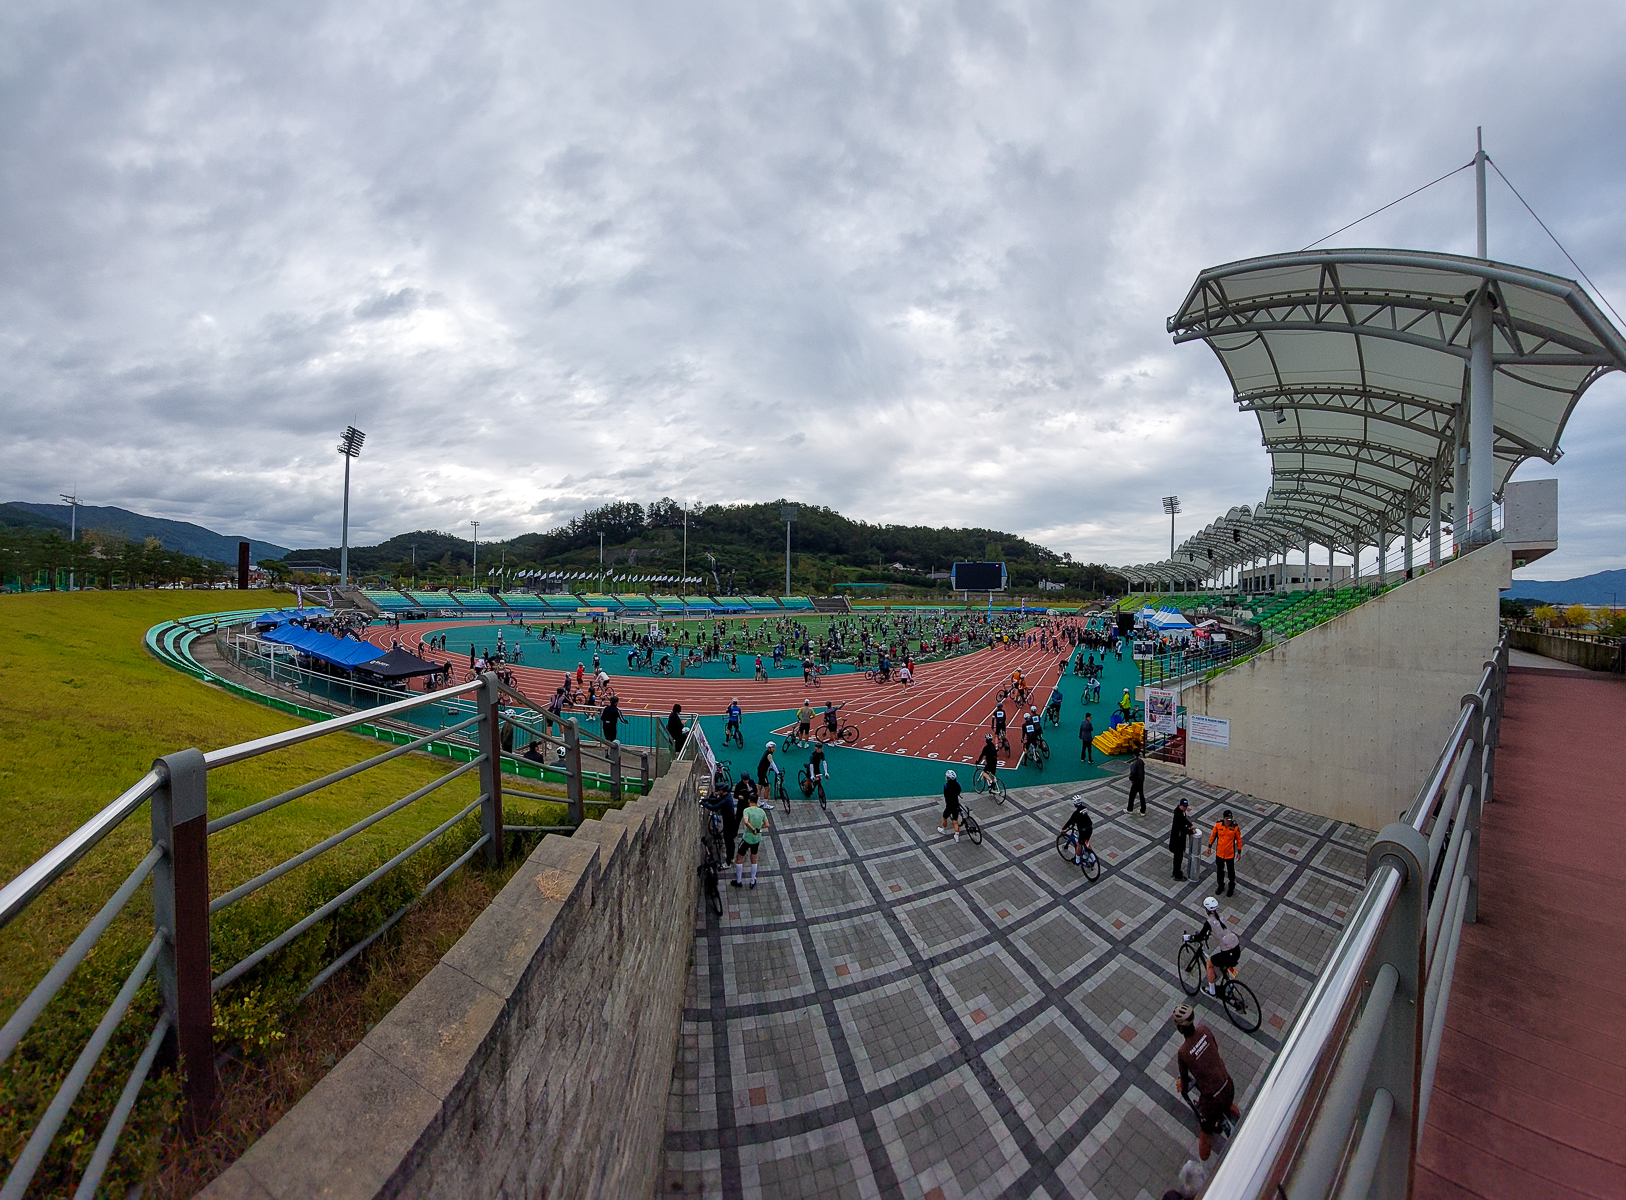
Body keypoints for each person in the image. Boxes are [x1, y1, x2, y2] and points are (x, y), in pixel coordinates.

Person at [1172, 1001, 1240, 1161]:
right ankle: (1240, 1123)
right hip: (1227, 1084)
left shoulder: (1183, 1052)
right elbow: (1215, 1048)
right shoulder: (1205, 1030)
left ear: (1180, 1029)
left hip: (1212, 1100)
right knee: (1228, 1103)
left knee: (1204, 1134)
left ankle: (1206, 1162)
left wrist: (1181, 1085)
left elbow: (1185, 1081)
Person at [1194, 895, 1242, 994]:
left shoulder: (1209, 922)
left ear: (1207, 910)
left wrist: (1189, 937)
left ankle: (1212, 990)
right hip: (1236, 949)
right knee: (1223, 965)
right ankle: (1230, 985)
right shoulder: (1221, 916)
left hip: (1227, 953)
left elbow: (1199, 937)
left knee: (1209, 963)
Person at [732, 789, 769, 889]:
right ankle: (752, 880)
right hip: (756, 839)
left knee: (739, 858)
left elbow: (746, 822)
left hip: (747, 838)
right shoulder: (761, 812)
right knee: (754, 858)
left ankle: (739, 880)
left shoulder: (746, 810)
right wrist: (758, 829)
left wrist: (752, 829)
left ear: (749, 801)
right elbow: (767, 824)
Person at [1207, 809, 1243, 897]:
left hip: (1229, 854)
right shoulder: (1218, 825)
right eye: (1227, 819)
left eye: (1230, 819)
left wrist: (1239, 851)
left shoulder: (1235, 827)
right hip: (1220, 853)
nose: (1229, 821)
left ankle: (1231, 886)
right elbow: (1213, 835)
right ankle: (1221, 886)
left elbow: (1239, 840)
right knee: (1220, 871)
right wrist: (1209, 846)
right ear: (1224, 818)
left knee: (1231, 872)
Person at [1060, 796, 1093, 866]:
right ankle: (1093, 858)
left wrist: (1063, 829)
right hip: (1090, 828)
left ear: (1074, 804)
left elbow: (1070, 821)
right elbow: (1082, 817)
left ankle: (1077, 860)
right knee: (1086, 842)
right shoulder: (1085, 808)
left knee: (1079, 844)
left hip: (1083, 830)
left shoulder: (1076, 813)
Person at [1170, 798, 1196, 880]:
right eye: (1184, 806)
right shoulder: (1178, 815)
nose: (1185, 808)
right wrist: (1191, 831)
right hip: (1177, 840)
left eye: (1186, 806)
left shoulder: (1182, 812)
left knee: (1178, 857)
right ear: (1180, 806)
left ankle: (1176, 871)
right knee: (1178, 858)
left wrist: (1190, 825)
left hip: (1180, 839)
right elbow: (1182, 828)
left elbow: (1185, 820)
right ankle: (1177, 874)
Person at [941, 769, 964, 842]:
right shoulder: (957, 784)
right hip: (956, 804)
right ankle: (956, 835)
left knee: (944, 817)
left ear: (948, 778)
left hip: (949, 805)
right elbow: (959, 790)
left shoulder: (946, 786)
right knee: (955, 821)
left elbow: (946, 795)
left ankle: (944, 829)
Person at [1126, 748, 1146, 814]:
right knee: (1141, 795)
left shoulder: (1134, 763)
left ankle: (1130, 809)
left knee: (1132, 796)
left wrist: (1131, 778)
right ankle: (1143, 810)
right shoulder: (1141, 762)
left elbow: (1133, 773)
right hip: (1141, 780)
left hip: (1136, 781)